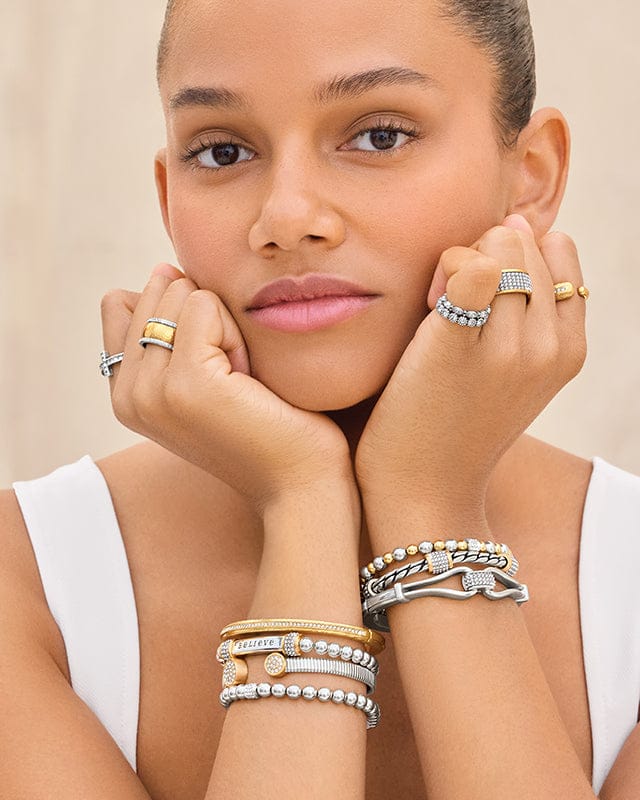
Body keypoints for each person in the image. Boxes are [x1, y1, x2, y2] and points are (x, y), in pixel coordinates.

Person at [1, 1, 639, 798]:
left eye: (380, 136)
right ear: (167, 196)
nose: (287, 217)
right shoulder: (24, 583)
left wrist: (428, 501)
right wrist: (301, 502)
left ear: (532, 174)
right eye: (223, 151)